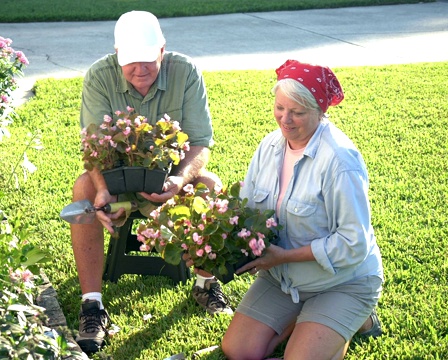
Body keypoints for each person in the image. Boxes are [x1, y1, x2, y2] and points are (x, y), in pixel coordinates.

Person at [72, 10, 231, 354]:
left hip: (169, 180)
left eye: (148, 60)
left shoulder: (185, 72)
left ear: (162, 50)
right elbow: (92, 147)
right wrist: (102, 188)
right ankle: (92, 306)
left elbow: (201, 142)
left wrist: (177, 180)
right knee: (83, 189)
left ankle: (206, 284)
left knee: (210, 186)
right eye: (130, 62)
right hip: (115, 179)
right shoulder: (99, 76)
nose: (140, 70)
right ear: (117, 56)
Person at [221, 60, 384, 359]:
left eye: (297, 112)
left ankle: (353, 318)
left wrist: (283, 256)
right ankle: (314, 320)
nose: (286, 119)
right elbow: (250, 211)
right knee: (238, 351)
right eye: (280, 107)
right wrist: (213, 243)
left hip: (342, 281)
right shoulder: (269, 146)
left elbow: (353, 242)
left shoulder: (340, 161)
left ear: (321, 112)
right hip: (283, 278)